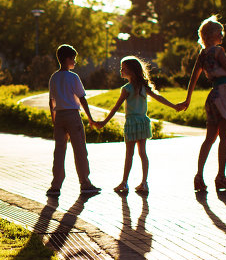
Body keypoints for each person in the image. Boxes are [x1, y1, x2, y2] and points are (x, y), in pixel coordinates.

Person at [176, 17, 226, 193]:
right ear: (212, 34)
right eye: (219, 32)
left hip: (212, 96)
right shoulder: (218, 52)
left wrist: (188, 99)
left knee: (209, 138)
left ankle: (199, 176)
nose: (222, 35)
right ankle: (221, 176)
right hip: (223, 94)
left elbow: (193, 78)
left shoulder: (203, 54)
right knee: (224, 138)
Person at [93, 56, 180, 195]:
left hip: (132, 123)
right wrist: (174, 106)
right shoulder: (143, 87)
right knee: (142, 153)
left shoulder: (126, 88)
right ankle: (144, 183)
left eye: (123, 68)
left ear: (132, 71)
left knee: (129, 154)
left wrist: (104, 122)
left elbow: (116, 107)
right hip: (143, 122)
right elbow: (159, 98)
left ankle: (124, 183)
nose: (121, 70)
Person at [47, 44, 100, 197]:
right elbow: (82, 98)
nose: (75, 62)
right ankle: (85, 183)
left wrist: (54, 119)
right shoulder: (73, 77)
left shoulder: (54, 77)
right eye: (73, 59)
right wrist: (90, 118)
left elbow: (51, 101)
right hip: (72, 116)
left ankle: (55, 186)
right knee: (80, 150)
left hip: (59, 117)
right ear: (67, 59)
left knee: (59, 151)